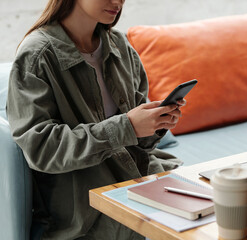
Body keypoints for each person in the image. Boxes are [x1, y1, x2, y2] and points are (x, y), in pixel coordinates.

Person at [6, 0, 185, 239]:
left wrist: (155, 123)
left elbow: (138, 143)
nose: (118, 2)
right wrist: (127, 126)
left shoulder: (119, 45)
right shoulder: (37, 55)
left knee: (227, 201)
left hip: (140, 181)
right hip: (86, 208)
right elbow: (42, 149)